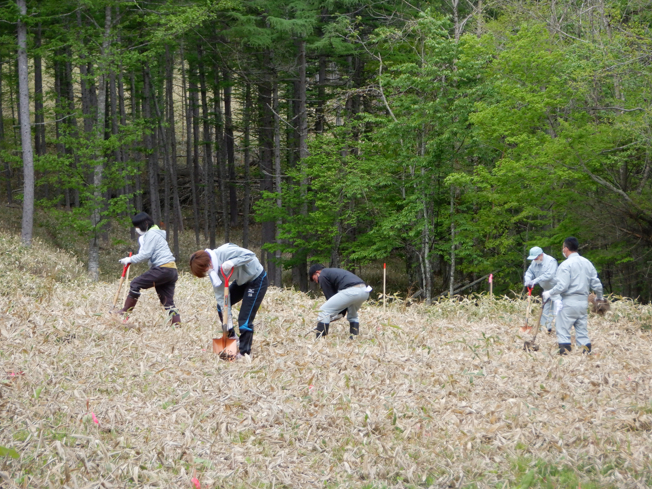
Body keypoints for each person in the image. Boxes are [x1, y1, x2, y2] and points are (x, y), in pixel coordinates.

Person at [189, 244, 268, 358]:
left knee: (244, 319)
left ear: (208, 262)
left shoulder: (225, 252)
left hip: (256, 278)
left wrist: (233, 262)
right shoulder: (213, 272)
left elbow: (250, 255)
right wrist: (228, 318)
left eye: (205, 269)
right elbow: (221, 296)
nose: (207, 272)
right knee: (221, 308)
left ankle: (245, 352)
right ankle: (232, 338)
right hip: (242, 281)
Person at [115, 212, 180, 324]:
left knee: (136, 283)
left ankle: (125, 311)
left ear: (145, 223)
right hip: (171, 269)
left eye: (137, 226)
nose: (137, 229)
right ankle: (177, 324)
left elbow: (146, 254)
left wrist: (129, 259)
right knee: (167, 301)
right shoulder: (156, 234)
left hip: (163, 268)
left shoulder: (152, 234)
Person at [543, 237, 604, 355]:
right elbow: (597, 284)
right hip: (583, 303)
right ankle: (586, 357)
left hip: (568, 302)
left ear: (566, 249)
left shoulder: (565, 265)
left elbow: (562, 286)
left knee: (562, 330)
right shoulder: (587, 263)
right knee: (582, 332)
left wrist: (549, 293)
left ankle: (566, 359)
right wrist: (599, 298)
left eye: (563, 248)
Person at [309, 264, 371, 339]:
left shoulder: (322, 275)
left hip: (351, 291)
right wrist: (340, 313)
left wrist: (332, 315)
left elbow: (330, 297)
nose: (316, 281)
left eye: (314, 278)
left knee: (324, 310)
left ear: (317, 272)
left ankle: (320, 339)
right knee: (353, 315)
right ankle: (354, 338)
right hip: (364, 291)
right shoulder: (334, 272)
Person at [524, 246, 559, 333]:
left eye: (536, 257)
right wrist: (528, 279)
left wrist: (535, 281)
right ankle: (544, 328)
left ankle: (557, 329)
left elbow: (549, 275)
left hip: (556, 289)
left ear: (541, 255)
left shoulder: (551, 261)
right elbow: (529, 272)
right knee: (545, 308)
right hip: (546, 289)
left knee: (556, 309)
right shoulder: (534, 262)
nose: (535, 259)